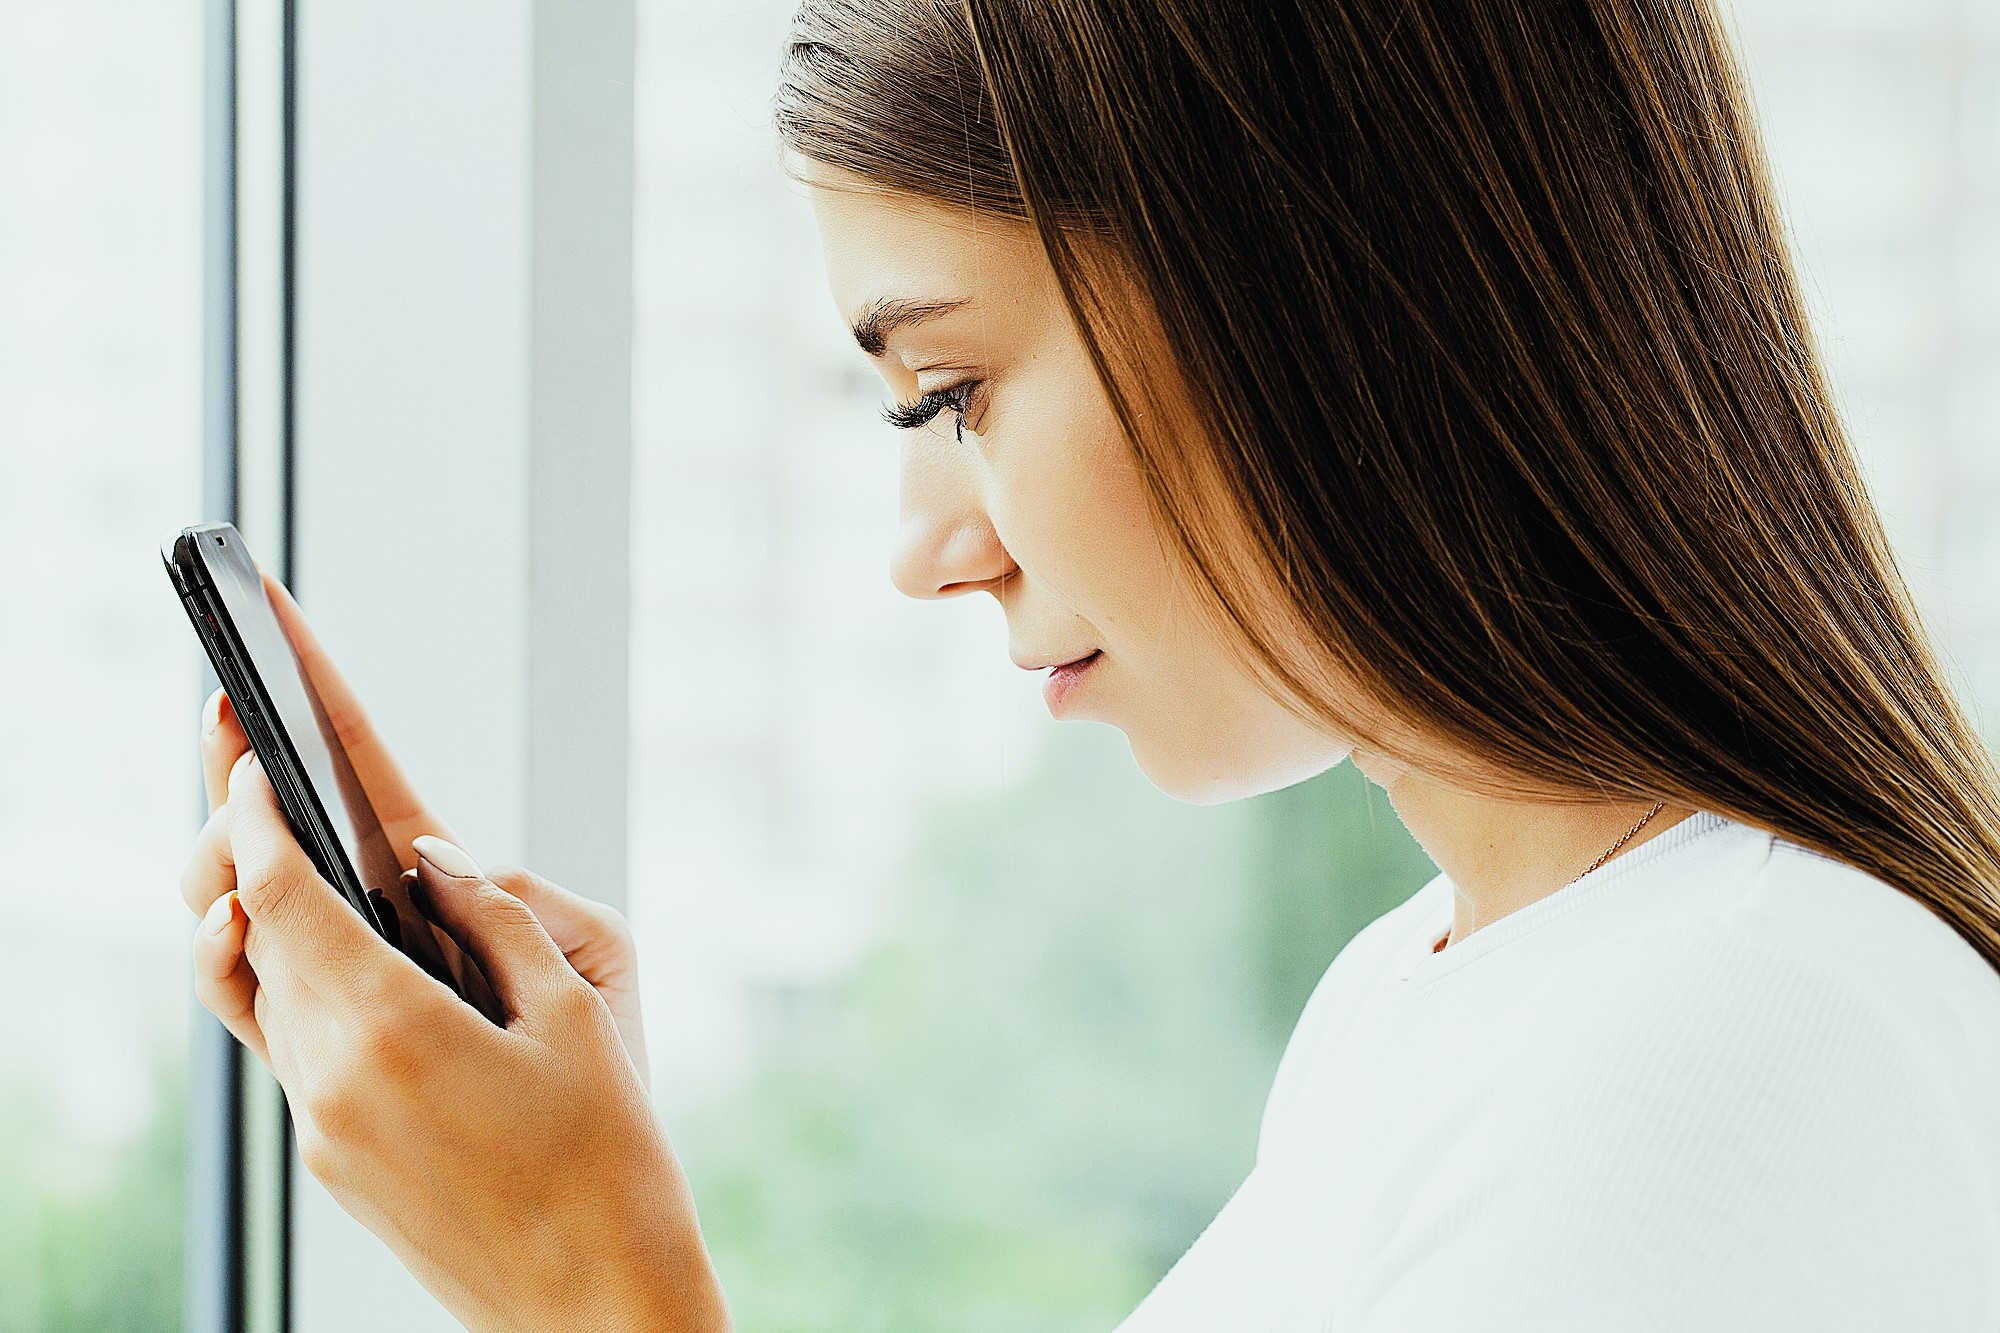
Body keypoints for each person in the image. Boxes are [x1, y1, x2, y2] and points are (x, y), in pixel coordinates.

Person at [178, 1, 2000, 1328]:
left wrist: (590, 1288)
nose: (926, 545)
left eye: (951, 395)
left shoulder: (1719, 1075)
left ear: (1313, 284)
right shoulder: (1436, 998)